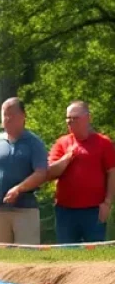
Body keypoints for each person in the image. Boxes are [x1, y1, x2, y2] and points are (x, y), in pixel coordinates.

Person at [0, 98, 48, 246]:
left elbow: (41, 173)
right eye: (4, 114)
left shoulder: (34, 143)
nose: (7, 119)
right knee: (2, 259)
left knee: (26, 258)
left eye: (11, 114)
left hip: (25, 210)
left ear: (23, 116)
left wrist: (19, 188)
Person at [46, 100, 115, 245]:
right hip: (65, 211)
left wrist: (107, 203)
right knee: (67, 254)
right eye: (68, 119)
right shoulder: (62, 143)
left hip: (94, 210)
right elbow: (50, 172)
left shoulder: (103, 143)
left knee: (95, 253)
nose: (70, 122)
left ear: (88, 118)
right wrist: (67, 157)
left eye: (75, 118)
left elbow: (112, 173)